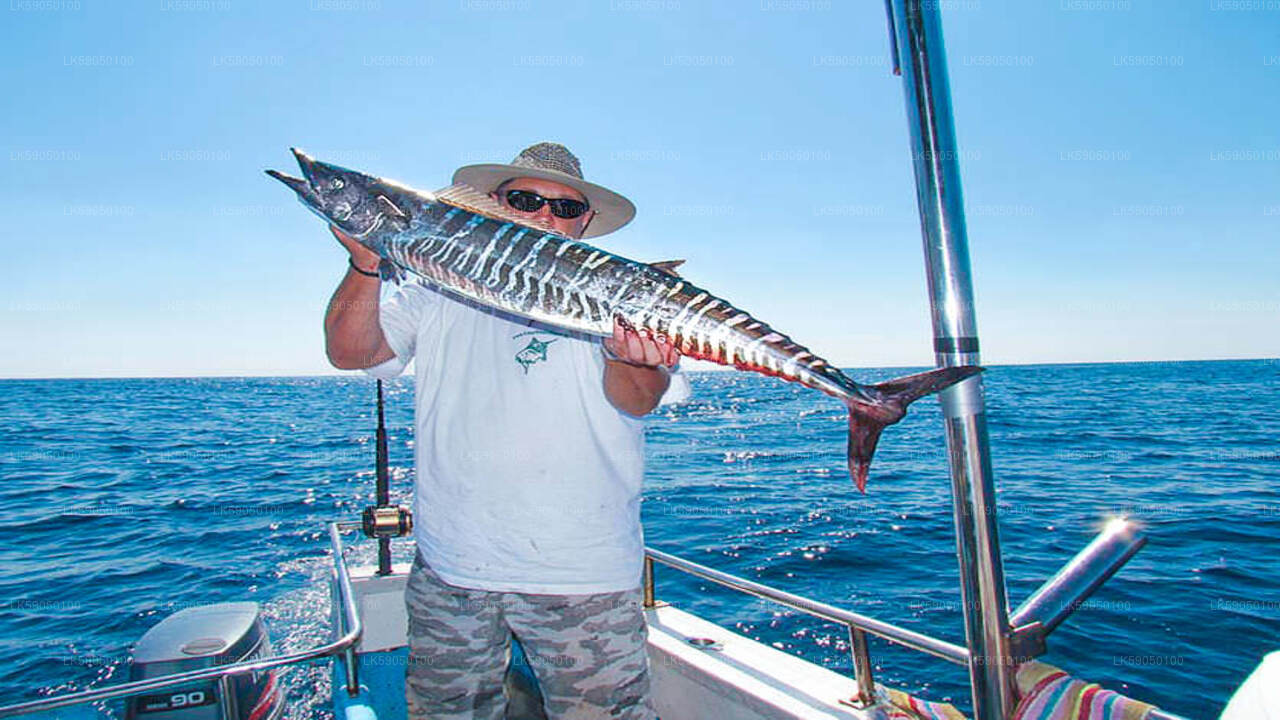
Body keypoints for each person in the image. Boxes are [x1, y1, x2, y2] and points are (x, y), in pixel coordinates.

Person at [323, 142, 690, 720]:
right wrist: (367, 262)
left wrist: (634, 359)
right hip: (450, 571)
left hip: (582, 574)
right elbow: (350, 351)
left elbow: (637, 402)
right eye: (525, 200)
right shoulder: (434, 289)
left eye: (565, 210)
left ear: (586, 222)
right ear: (492, 206)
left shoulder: (622, 298)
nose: (546, 216)